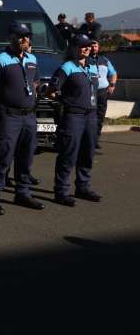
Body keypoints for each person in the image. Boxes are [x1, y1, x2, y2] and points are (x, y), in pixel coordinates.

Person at [0, 22, 45, 215]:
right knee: (3, 157)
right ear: (11, 38)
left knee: (26, 157)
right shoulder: (0, 60)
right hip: (9, 116)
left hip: (29, 116)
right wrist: (3, 106)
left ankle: (23, 193)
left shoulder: (32, 58)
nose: (25, 39)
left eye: (27, 36)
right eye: (21, 36)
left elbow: (35, 82)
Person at [48, 34, 102, 206]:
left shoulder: (92, 67)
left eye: (88, 45)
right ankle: (61, 192)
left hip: (91, 116)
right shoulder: (67, 67)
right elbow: (51, 91)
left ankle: (83, 187)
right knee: (68, 154)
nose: (86, 48)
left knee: (87, 153)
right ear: (73, 48)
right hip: (74, 116)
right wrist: (65, 100)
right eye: (82, 46)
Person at [89, 40, 118, 147]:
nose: (94, 48)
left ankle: (95, 139)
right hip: (90, 92)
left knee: (100, 116)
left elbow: (113, 73)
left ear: (98, 47)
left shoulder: (105, 60)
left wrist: (112, 85)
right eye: (91, 46)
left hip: (102, 92)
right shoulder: (84, 60)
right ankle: (88, 139)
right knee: (90, 115)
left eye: (95, 46)